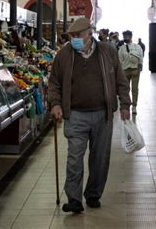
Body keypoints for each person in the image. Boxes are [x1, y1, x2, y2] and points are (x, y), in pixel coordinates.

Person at [48, 18, 131, 214]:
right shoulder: (64, 55)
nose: (74, 39)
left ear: (89, 33)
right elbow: (54, 83)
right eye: (71, 36)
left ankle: (93, 194)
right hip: (75, 114)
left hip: (103, 114)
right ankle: (74, 199)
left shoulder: (107, 52)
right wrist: (56, 104)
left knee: (100, 159)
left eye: (78, 35)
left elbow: (120, 79)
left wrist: (125, 104)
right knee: (74, 158)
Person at [118, 30, 143, 114]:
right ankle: (126, 105)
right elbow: (119, 60)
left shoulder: (137, 47)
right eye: (124, 36)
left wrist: (139, 67)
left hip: (135, 70)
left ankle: (134, 106)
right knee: (125, 89)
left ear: (131, 37)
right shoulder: (122, 48)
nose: (125, 38)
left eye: (127, 36)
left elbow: (141, 58)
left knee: (134, 88)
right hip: (125, 70)